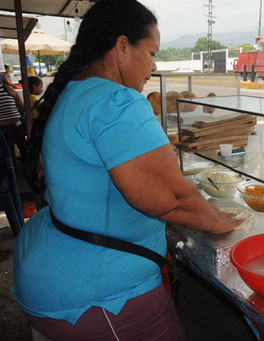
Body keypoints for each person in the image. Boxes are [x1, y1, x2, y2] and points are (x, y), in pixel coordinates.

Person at [14, 0, 241, 340]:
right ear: (122, 47)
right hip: (99, 295)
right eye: (151, 53)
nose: (153, 66)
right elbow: (172, 200)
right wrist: (220, 222)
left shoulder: (74, 91)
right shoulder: (116, 102)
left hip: (54, 271)